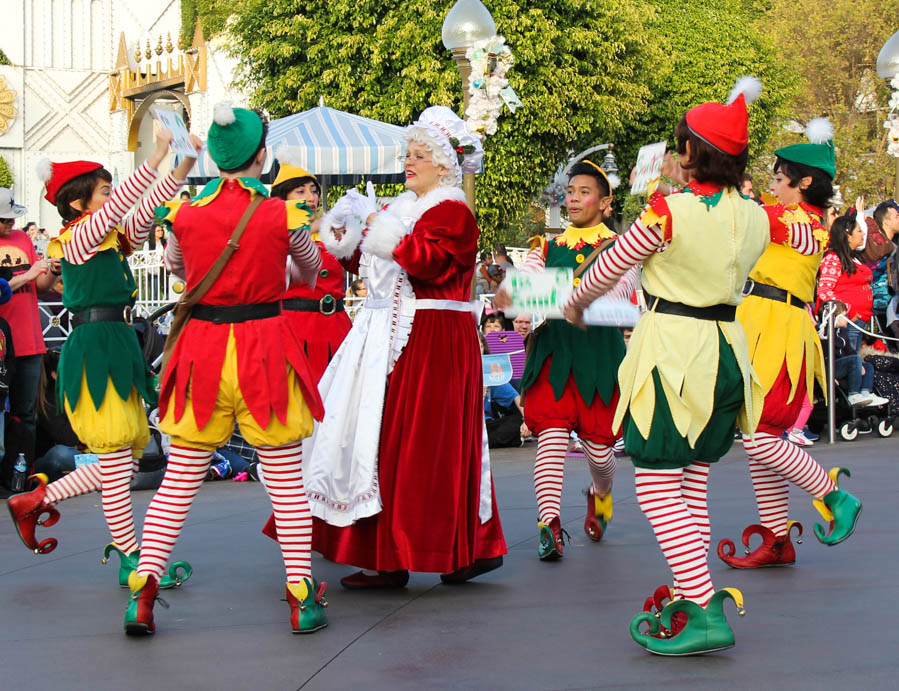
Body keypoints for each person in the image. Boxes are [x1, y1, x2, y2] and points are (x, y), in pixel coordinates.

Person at [563, 78, 769, 655]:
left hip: (675, 353)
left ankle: (702, 608)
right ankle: (689, 591)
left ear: (691, 153)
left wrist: (575, 304)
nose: (677, 155)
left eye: (682, 145)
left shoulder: (669, 213)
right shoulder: (754, 215)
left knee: (655, 479)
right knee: (693, 479)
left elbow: (608, 270)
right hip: (728, 350)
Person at [125, 104, 328, 636]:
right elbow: (310, 268)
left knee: (177, 484)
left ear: (215, 158)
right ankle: (302, 599)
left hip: (203, 353)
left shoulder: (185, 212)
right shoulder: (282, 213)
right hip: (265, 350)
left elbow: (174, 267)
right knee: (286, 483)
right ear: (262, 156)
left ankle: (142, 592)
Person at [308, 105, 506, 588]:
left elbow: (429, 264)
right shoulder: (404, 208)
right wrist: (347, 233)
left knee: (421, 447)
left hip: (434, 340)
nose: (408, 162)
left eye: (419, 155)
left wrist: (379, 227)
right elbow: (374, 266)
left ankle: (439, 549)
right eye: (407, 154)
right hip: (388, 338)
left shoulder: (453, 211)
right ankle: (387, 552)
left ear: (444, 164)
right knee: (378, 443)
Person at [6, 131, 198, 590]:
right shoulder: (77, 236)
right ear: (78, 203)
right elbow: (124, 205)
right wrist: (155, 153)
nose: (112, 197)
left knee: (122, 464)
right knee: (115, 465)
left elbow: (145, 211)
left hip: (116, 344)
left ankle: (36, 500)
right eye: (103, 190)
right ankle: (133, 563)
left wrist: (183, 166)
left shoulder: (106, 236)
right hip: (94, 349)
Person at [718, 119, 863, 574]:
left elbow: (753, 217)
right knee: (759, 434)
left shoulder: (808, 226)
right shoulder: (779, 216)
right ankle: (777, 538)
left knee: (760, 437)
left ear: (802, 182)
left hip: (780, 330)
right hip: (756, 321)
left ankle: (833, 494)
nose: (772, 185)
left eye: (779, 178)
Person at [498, 159, 635, 558]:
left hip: (599, 354)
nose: (574, 199)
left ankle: (601, 495)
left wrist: (574, 297)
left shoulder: (621, 247)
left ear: (606, 202)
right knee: (552, 438)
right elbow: (525, 286)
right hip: (555, 351)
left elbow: (619, 294)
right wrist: (511, 293)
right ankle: (549, 525)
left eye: (584, 192)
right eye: (570, 192)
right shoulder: (547, 245)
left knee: (600, 451)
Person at [259, 149, 352, 542]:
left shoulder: (336, 232)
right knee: (298, 430)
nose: (311, 198)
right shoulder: (273, 235)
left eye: (314, 191)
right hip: (295, 333)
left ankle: (336, 515)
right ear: (281, 199)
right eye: (300, 191)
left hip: (340, 333)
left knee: (343, 428)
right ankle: (298, 513)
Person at [0, 188, 59, 446]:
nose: (11, 223)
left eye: (12, 218)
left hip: (28, 342)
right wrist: (29, 274)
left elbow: (41, 285)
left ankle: (22, 471)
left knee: (26, 415)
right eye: (5, 219)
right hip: (3, 345)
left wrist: (52, 271)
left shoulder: (22, 238)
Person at [816, 213, 873, 352]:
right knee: (850, 360)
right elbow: (824, 291)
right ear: (848, 236)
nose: (863, 234)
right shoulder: (833, 258)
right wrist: (847, 311)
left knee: (857, 360)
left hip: (859, 321)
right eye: (859, 231)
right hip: (847, 322)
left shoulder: (854, 257)